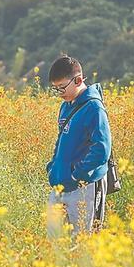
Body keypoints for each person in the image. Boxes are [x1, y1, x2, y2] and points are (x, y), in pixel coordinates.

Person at [46, 55, 112, 237]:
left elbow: (102, 149)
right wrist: (53, 168)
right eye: (55, 89)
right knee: (53, 242)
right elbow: (61, 140)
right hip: (60, 184)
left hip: (84, 186)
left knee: (83, 241)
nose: (60, 93)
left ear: (78, 80)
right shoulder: (65, 106)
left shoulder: (94, 107)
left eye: (62, 87)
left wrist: (77, 174)